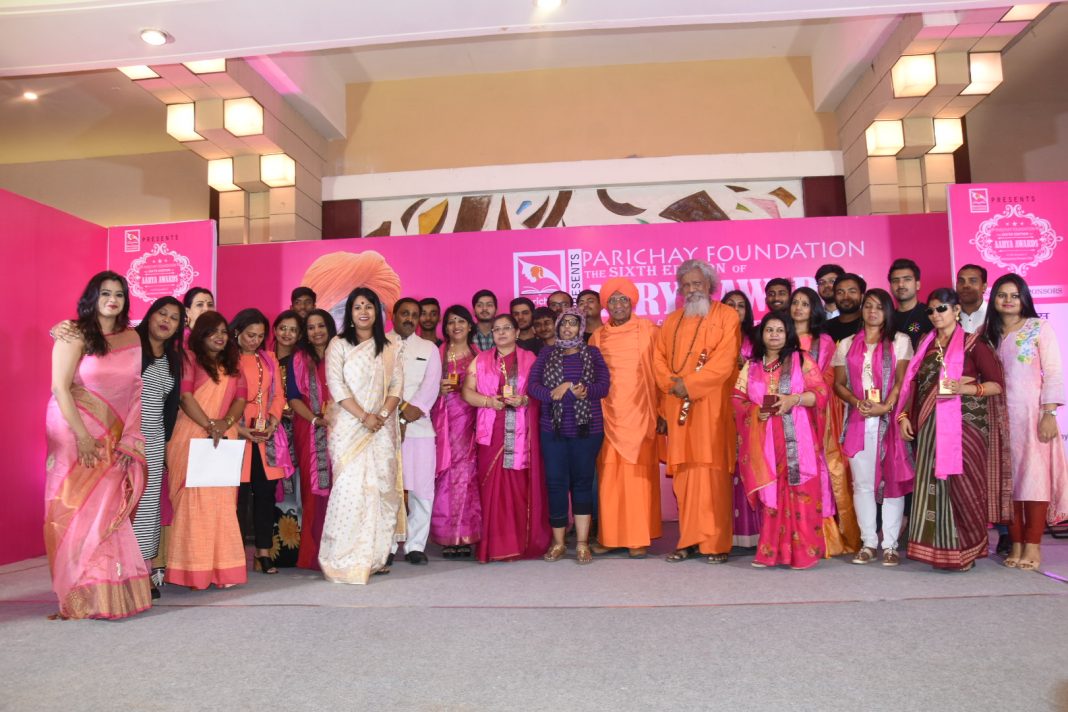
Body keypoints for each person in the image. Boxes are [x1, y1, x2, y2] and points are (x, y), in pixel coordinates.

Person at [44, 271, 150, 619]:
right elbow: (60, 388)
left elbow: (135, 389)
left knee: (106, 509)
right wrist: (83, 437)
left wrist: (129, 436)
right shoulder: (73, 333)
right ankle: (77, 590)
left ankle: (105, 590)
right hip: (73, 429)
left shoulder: (131, 337)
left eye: (119, 294)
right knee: (75, 508)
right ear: (93, 297)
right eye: (105, 293)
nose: (112, 300)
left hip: (114, 434)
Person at [894, 288, 1010, 571]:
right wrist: (904, 416)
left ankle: (966, 552)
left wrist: (965, 388)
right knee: (933, 487)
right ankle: (940, 551)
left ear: (957, 310)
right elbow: (914, 385)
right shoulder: (925, 345)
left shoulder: (975, 344)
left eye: (941, 309)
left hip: (965, 428)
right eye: (931, 310)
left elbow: (997, 384)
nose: (935, 315)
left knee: (964, 487)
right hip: (929, 427)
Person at [654, 259, 741, 564]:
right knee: (685, 477)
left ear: (710, 286)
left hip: (712, 408)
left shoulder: (727, 316)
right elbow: (658, 360)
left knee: (713, 475)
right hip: (677, 405)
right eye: (686, 285)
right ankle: (688, 540)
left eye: (697, 284)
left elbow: (725, 361)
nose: (692, 289)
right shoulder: (671, 321)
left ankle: (716, 544)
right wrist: (671, 385)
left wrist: (689, 385)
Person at [734, 312, 833, 569]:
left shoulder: (801, 359)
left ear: (788, 333)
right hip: (765, 438)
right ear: (762, 334)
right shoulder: (752, 366)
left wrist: (793, 399)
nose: (774, 335)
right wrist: (755, 411)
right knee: (771, 492)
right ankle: (770, 552)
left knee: (800, 491)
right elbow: (737, 399)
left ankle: (803, 553)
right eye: (769, 330)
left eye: (780, 330)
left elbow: (821, 393)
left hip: (798, 437)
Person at [320, 288, 406, 583]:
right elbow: (336, 385)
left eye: (369, 306)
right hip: (349, 427)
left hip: (381, 428)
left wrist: (380, 415)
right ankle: (343, 559)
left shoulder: (391, 346)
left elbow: (396, 386)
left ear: (378, 312)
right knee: (350, 491)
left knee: (380, 490)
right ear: (350, 313)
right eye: (357, 307)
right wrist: (363, 416)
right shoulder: (338, 344)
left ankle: (374, 558)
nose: (363, 312)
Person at [984, 274, 1068, 570]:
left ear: (1024, 299)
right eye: (1002, 295)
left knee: (1034, 481)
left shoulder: (1038, 328)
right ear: (993, 299)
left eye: (1014, 295)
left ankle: (1033, 545)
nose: (1008, 300)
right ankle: (1016, 543)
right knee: (1009, 484)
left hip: (1033, 417)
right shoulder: (987, 334)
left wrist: (1049, 413)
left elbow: (1053, 372)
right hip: (998, 419)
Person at [166, 311, 248, 589]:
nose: (219, 336)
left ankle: (223, 570)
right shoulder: (188, 358)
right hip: (192, 435)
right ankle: (194, 571)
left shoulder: (233, 364)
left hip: (223, 438)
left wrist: (224, 424)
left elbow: (240, 400)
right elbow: (185, 397)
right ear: (201, 334)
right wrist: (210, 425)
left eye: (224, 331)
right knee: (194, 505)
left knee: (222, 505)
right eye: (213, 331)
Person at [833, 289, 913, 565]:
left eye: (879, 307)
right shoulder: (846, 344)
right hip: (858, 421)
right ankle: (868, 543)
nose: (873, 311)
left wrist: (886, 407)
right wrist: (856, 402)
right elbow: (838, 384)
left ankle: (890, 545)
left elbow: (903, 381)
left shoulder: (900, 341)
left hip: (888, 421)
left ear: (887, 311)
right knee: (863, 485)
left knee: (892, 482)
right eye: (868, 306)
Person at [462, 314, 551, 562]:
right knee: (491, 486)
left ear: (517, 332)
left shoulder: (530, 359)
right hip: (491, 432)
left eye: (506, 328)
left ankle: (519, 542)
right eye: (496, 329)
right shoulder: (480, 360)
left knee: (518, 486)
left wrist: (524, 399)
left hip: (522, 432)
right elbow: (467, 392)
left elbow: (541, 392)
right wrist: (488, 402)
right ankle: (494, 545)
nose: (501, 333)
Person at [588, 278, 663, 557]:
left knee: (637, 477)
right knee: (609, 476)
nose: (618, 305)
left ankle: (637, 539)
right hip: (607, 414)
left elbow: (661, 372)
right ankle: (610, 538)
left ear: (632, 302)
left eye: (623, 299)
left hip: (641, 412)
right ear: (605, 305)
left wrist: (662, 409)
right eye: (612, 300)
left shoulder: (650, 331)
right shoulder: (597, 337)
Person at [529, 308, 610, 564]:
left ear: (580, 327)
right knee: (556, 484)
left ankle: (583, 543)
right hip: (552, 430)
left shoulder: (593, 353)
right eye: (563, 324)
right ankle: (559, 543)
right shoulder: (546, 353)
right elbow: (533, 387)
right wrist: (556, 392)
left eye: (573, 324)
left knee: (583, 483)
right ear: (557, 327)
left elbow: (603, 386)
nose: (567, 328)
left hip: (587, 429)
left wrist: (581, 390)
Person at [791, 286, 861, 555]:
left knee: (820, 470)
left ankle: (824, 537)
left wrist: (807, 394)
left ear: (814, 309)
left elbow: (830, 379)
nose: (798, 308)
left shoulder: (824, 342)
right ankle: (794, 532)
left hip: (817, 415)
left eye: (805, 304)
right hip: (787, 414)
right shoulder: (781, 338)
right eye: (795, 303)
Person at [231, 308, 291, 575]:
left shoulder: (268, 359)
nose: (255, 340)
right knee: (239, 496)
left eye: (259, 336)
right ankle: (235, 554)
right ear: (237, 332)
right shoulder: (227, 358)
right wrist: (239, 428)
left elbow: (278, 395)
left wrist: (273, 423)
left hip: (265, 434)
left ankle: (263, 552)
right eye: (250, 335)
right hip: (236, 434)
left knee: (266, 494)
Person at [132, 296, 184, 599]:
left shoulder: (174, 360)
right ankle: (118, 572)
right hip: (124, 440)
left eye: (174, 318)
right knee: (123, 506)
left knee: (148, 508)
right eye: (162, 313)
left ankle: (144, 570)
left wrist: (165, 448)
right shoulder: (129, 346)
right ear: (150, 315)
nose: (166, 320)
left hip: (153, 440)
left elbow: (170, 408)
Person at [388, 297, 442, 565]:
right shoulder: (378, 344)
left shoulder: (429, 348)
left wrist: (410, 412)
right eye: (404, 313)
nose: (409, 318)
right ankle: (385, 545)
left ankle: (415, 545)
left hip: (419, 427)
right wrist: (393, 414)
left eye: (414, 315)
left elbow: (431, 385)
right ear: (393, 315)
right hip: (384, 427)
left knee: (421, 488)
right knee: (387, 488)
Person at [286, 308, 337, 570]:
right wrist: (316, 420)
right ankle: (313, 553)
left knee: (340, 488)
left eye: (321, 326)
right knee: (312, 490)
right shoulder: (298, 359)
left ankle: (338, 551)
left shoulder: (342, 353)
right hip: (308, 429)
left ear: (330, 328)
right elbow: (293, 397)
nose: (316, 331)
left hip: (341, 429)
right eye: (311, 327)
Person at [430, 305, 481, 558]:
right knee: (444, 475)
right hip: (442, 422)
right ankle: (448, 536)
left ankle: (466, 534)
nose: (456, 326)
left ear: (470, 325)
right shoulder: (437, 353)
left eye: (461, 321)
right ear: (446, 327)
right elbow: (422, 387)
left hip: (471, 422)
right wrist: (436, 390)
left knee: (467, 476)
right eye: (451, 322)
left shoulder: (479, 354)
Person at [720, 289, 761, 547]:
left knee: (748, 465)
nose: (735, 310)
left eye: (741, 305)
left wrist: (743, 363)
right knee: (724, 467)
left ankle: (752, 532)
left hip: (748, 409)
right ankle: (726, 532)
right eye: (730, 305)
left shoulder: (756, 338)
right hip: (719, 408)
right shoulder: (714, 335)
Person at [888, 258, 932, 349]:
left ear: (917, 285)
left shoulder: (931, 314)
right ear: (890, 286)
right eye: (895, 280)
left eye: (907, 279)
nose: (900, 284)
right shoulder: (886, 318)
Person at [822, 273, 866, 343]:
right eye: (840, 292)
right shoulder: (824, 328)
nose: (846, 297)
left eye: (852, 292)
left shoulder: (869, 325)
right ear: (834, 296)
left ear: (862, 296)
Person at [957, 264, 988, 333]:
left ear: (984, 287)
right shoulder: (948, 315)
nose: (965, 285)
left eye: (973, 281)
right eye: (961, 281)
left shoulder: (994, 315)